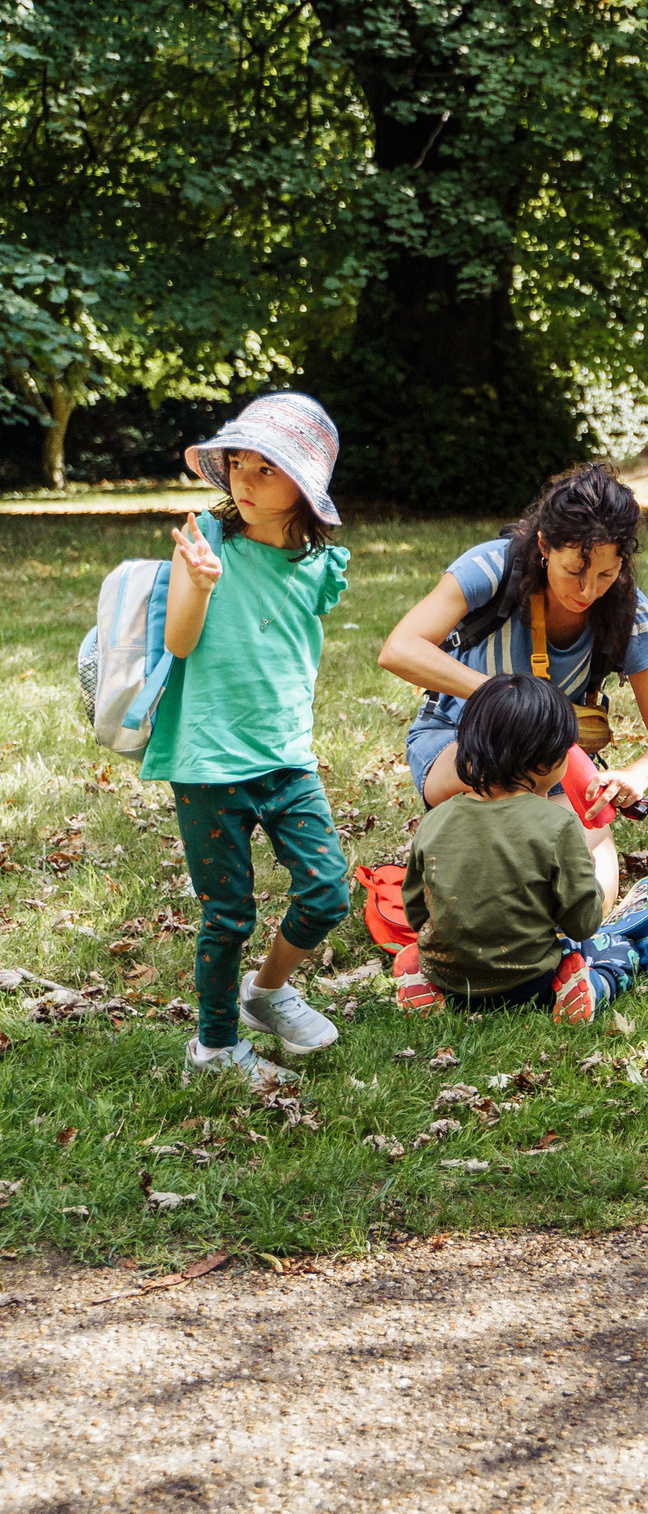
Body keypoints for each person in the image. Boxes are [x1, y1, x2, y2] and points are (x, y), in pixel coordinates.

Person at [146, 394, 354, 1086]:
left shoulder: (320, 567)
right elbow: (179, 640)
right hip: (208, 762)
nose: (244, 479)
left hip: (287, 757)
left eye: (268, 468)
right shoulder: (206, 537)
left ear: (305, 484)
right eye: (239, 462)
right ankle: (213, 1047)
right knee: (228, 911)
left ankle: (265, 992)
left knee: (326, 889)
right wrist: (201, 584)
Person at [379, 465, 648, 911]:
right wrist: (506, 698)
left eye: (605, 574)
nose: (587, 590)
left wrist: (636, 775)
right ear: (544, 544)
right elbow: (399, 649)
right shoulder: (492, 565)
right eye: (574, 571)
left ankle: (558, 942)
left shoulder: (627, 610)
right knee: (509, 809)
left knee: (592, 863)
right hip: (458, 740)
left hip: (553, 760)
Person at [391, 675, 637, 1021]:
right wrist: (592, 873)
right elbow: (583, 923)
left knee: (424, 950)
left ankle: (424, 981)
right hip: (529, 983)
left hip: (450, 980)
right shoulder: (558, 825)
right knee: (620, 950)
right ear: (550, 760)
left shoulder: (435, 820)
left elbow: (417, 913)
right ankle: (590, 987)